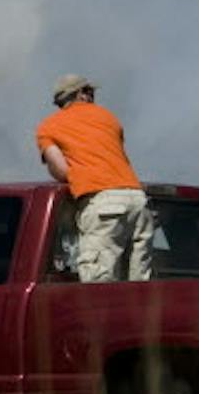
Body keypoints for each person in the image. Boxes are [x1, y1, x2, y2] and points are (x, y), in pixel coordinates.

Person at [36, 74, 153, 282]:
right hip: (138, 200)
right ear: (81, 94)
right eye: (90, 92)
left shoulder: (49, 127)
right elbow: (111, 153)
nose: (93, 96)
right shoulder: (110, 118)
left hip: (103, 203)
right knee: (138, 285)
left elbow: (61, 169)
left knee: (98, 284)